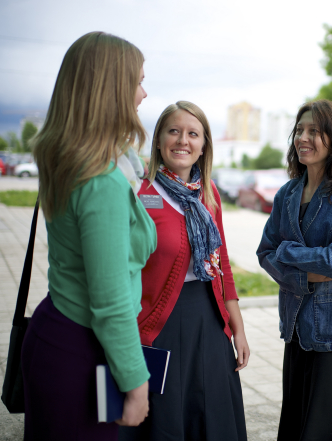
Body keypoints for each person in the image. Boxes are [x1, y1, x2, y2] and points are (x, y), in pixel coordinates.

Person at [22, 32, 154, 440]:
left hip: (58, 332)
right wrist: (136, 383)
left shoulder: (72, 160)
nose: (144, 94)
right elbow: (111, 301)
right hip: (81, 352)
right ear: (110, 89)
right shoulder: (102, 181)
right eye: (137, 82)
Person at [119, 101, 249, 441]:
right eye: (174, 131)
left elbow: (222, 267)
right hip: (156, 325)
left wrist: (238, 329)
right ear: (159, 139)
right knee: (163, 423)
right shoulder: (140, 192)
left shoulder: (209, 194)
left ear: (204, 145)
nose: (183, 141)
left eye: (193, 134)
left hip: (208, 321)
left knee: (211, 418)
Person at [257, 99, 332, 441]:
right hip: (297, 328)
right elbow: (265, 252)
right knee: (293, 429)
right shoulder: (287, 194)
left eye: (314, 131)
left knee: (325, 433)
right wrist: (305, 276)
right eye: (299, 130)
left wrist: (289, 252)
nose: (303, 138)